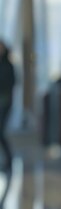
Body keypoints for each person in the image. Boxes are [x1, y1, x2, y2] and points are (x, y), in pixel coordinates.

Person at [0, 41, 15, 172]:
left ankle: (9, 160)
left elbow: (11, 83)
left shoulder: (8, 65)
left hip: (5, 102)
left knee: (1, 132)